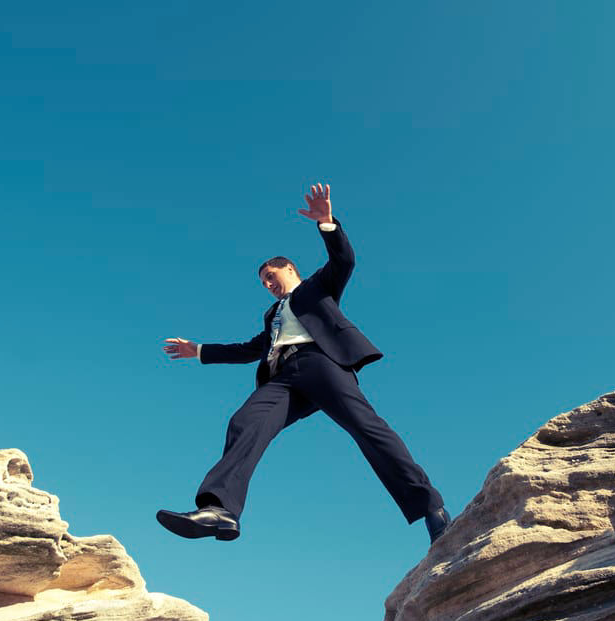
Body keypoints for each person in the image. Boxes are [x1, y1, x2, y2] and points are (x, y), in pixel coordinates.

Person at [159, 183, 451, 545]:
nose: (267, 284)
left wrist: (326, 222)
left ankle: (430, 507)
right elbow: (250, 349)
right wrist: (200, 350)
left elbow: (344, 261)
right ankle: (221, 509)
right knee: (245, 421)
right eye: (263, 281)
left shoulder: (316, 288)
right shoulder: (272, 315)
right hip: (282, 378)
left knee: (368, 429)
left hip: (322, 363)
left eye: (271, 276)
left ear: (290, 270)